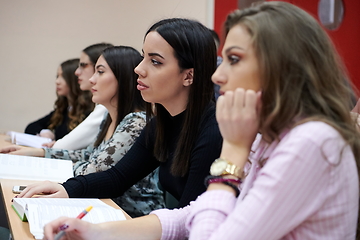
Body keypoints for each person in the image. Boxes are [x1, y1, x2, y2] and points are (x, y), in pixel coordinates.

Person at [41, 2, 359, 239]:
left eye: (234, 60)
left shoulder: (312, 142)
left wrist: (232, 152)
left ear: (282, 67)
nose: (219, 75)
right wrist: (96, 231)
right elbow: (190, 215)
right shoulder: (268, 138)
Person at [12, 17, 222, 213]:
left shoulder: (212, 133)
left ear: (189, 76)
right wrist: (66, 189)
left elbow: (188, 218)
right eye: (143, 57)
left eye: (155, 61)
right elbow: (118, 177)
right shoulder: (161, 123)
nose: (139, 69)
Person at [4, 46, 165, 217]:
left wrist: (45, 163)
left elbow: (94, 170)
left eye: (100, 72)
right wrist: (38, 153)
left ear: (122, 78)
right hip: (101, 205)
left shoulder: (136, 122)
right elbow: (86, 155)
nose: (92, 80)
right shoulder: (109, 118)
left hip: (131, 216)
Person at [46, 43, 114, 150]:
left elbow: (62, 147)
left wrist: (48, 150)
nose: (77, 72)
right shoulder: (101, 104)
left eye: (83, 65)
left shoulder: (106, 107)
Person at [24, 58, 93, 140]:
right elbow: (30, 127)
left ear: (76, 79)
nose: (57, 81)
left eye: (63, 77)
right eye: (57, 76)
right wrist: (44, 132)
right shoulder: (64, 109)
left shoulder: (88, 111)